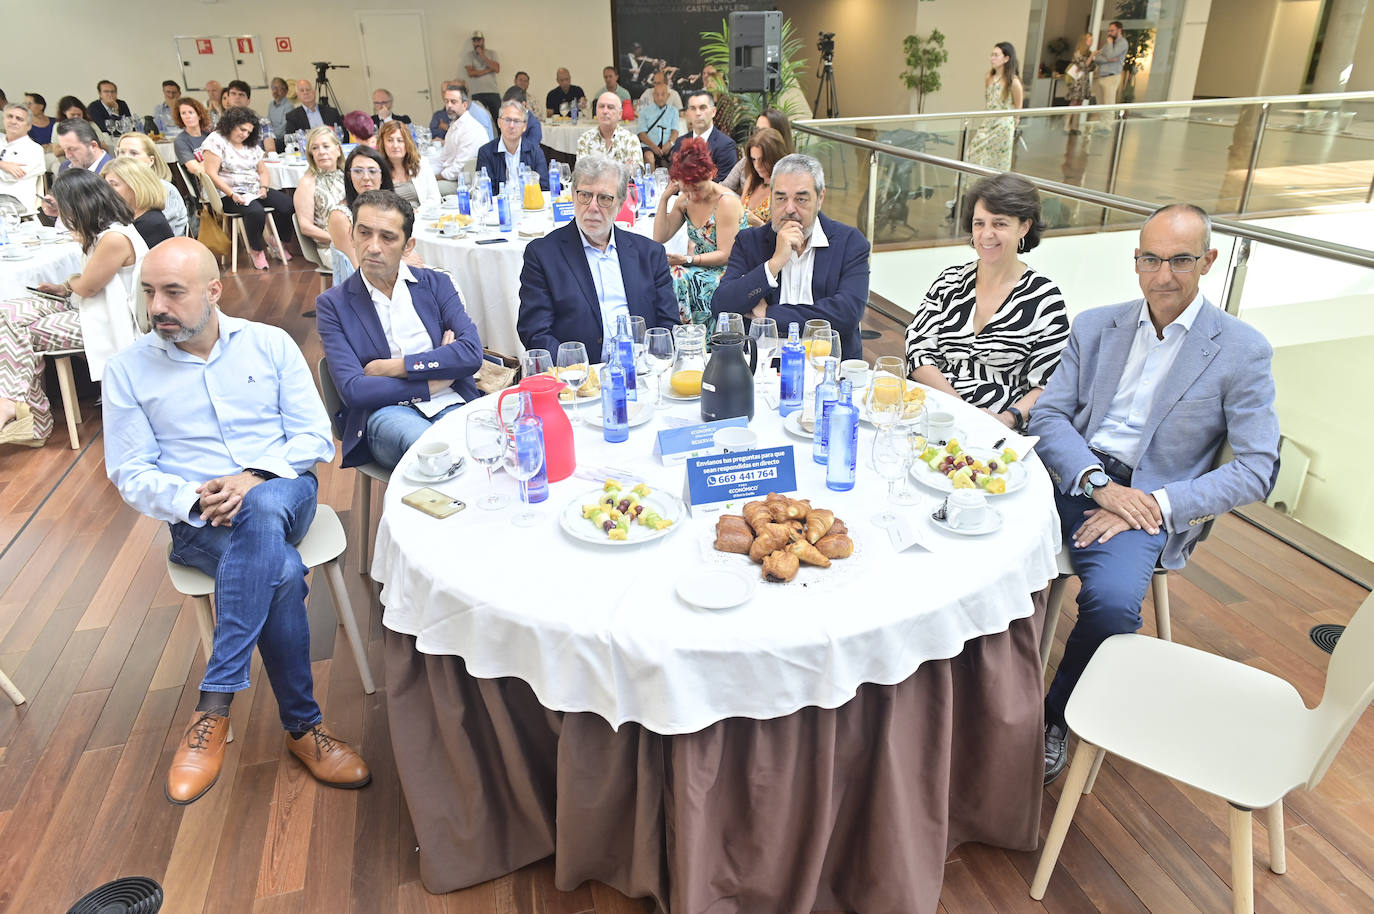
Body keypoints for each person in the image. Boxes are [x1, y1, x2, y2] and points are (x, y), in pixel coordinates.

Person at [102, 237, 371, 806]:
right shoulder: (127, 369)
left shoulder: (269, 345)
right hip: (199, 518)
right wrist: (193, 500)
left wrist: (252, 476)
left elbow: (312, 437)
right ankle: (304, 730)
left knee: (265, 506)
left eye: (173, 292)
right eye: (148, 292)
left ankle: (214, 705)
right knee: (278, 569)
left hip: (282, 488)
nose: (157, 307)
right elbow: (129, 471)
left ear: (214, 291)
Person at [1032, 203, 1280, 783]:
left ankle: (1055, 718)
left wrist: (1154, 505)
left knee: (1116, 605)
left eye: (1180, 260)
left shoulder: (1242, 350)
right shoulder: (1096, 325)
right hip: (1073, 476)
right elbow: (1050, 418)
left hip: (1149, 502)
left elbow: (1258, 468)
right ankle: (981, 701)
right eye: (1151, 259)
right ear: (1135, 261)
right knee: (975, 539)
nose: (1163, 275)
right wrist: (1098, 485)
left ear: (1209, 261)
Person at [316, 190, 483, 470]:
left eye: (388, 237)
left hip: (452, 400)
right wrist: (431, 383)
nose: (373, 247)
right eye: (364, 233)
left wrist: (395, 367)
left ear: (408, 245)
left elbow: (470, 354)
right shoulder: (333, 305)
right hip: (386, 413)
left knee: (482, 444)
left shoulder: (436, 284)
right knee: (435, 449)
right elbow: (354, 389)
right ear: (352, 235)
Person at [904, 173, 1068, 430]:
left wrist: (1008, 418)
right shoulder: (949, 281)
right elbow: (918, 351)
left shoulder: (1044, 299)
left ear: (1024, 227)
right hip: (933, 412)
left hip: (998, 426)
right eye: (979, 223)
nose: (986, 234)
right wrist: (960, 410)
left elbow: (1050, 385)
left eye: (999, 224)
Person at [0, 169, 147, 447]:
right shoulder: (106, 232)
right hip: (92, 309)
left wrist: (70, 283)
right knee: (8, 312)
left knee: (18, 329)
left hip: (109, 322)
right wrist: (65, 287)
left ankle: (24, 411)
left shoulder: (114, 238)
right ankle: (14, 402)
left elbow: (88, 286)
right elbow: (85, 285)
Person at [713, 153, 871, 360]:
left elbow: (846, 315)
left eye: (801, 199)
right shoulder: (749, 241)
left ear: (820, 198)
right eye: (780, 198)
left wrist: (768, 315)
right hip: (762, 365)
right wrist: (774, 264)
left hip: (828, 368)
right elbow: (722, 307)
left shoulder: (850, 243)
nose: (789, 209)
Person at [517, 155, 678, 357]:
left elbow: (668, 325)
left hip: (642, 369)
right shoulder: (543, 255)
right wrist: (576, 367)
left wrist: (652, 364)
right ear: (573, 197)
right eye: (585, 195)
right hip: (578, 377)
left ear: (620, 204)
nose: (593, 207)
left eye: (604, 198)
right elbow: (535, 332)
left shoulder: (649, 254)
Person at [654, 137, 746, 325]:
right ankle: (679, 332)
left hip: (728, 271)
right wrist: (664, 199)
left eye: (697, 189)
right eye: (687, 190)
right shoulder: (685, 201)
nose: (693, 196)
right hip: (699, 267)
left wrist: (688, 260)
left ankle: (686, 334)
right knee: (665, 275)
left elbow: (726, 255)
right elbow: (660, 237)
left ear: (711, 174)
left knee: (677, 275)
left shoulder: (725, 202)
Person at [200, 106, 296, 270]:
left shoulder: (250, 144)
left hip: (253, 188)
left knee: (288, 205)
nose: (245, 134)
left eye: (249, 131)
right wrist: (232, 194)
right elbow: (211, 173)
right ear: (231, 124)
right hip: (226, 192)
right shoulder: (216, 140)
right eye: (242, 129)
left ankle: (278, 241)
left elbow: (262, 170)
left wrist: (264, 187)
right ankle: (257, 249)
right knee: (255, 211)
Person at [328, 145, 398, 285]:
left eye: (372, 171)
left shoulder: (391, 208)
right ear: (349, 176)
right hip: (361, 289)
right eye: (358, 171)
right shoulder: (340, 216)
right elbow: (361, 269)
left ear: (382, 177)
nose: (366, 177)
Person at [114, 132, 189, 236]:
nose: (125, 158)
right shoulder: (114, 189)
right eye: (121, 152)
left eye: (133, 153)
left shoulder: (164, 190)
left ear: (150, 161)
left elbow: (159, 233)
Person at [966, 42, 1023, 174]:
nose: (992, 58)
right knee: (972, 154)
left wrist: (1013, 126)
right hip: (988, 123)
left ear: (1006, 58)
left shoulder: (1013, 82)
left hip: (1003, 126)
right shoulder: (989, 77)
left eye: (996, 55)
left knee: (997, 162)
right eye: (992, 55)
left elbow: (1018, 109)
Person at [102, 157, 175, 248]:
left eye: (114, 184)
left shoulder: (151, 224)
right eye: (105, 185)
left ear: (136, 187)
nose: (106, 191)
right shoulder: (116, 216)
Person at [293, 125, 346, 249]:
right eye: (315, 148)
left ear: (338, 150)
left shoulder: (347, 175)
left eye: (326, 146)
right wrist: (340, 240)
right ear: (311, 154)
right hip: (331, 247)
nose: (321, 152)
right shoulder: (307, 182)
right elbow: (306, 227)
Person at [477, 100, 547, 191]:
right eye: (507, 120)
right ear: (499, 123)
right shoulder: (486, 152)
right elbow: (486, 190)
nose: (511, 126)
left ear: (524, 126)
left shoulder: (535, 152)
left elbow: (544, 188)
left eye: (517, 121)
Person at [670, 90, 737, 182]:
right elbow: (674, 179)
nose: (698, 113)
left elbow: (725, 185)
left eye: (703, 108)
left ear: (713, 111)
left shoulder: (726, 145)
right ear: (687, 114)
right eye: (693, 109)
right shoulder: (680, 143)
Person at [721, 109, 794, 194]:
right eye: (757, 130)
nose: (757, 166)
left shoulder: (790, 171)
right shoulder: (748, 160)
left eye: (764, 131)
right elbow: (724, 187)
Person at [432, 85, 486, 195]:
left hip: (464, 183)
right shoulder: (455, 125)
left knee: (422, 190)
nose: (449, 106)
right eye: (446, 102)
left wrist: (434, 178)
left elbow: (458, 169)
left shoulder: (470, 129)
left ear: (465, 105)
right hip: (451, 178)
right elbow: (442, 159)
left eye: (453, 102)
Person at [378, 120, 440, 208]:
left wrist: (418, 212)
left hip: (422, 215)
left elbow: (435, 198)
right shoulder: (377, 169)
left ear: (407, 143)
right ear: (382, 143)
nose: (395, 145)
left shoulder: (421, 162)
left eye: (400, 140)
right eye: (390, 140)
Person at [577, 92, 640, 172]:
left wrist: (595, 172)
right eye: (601, 106)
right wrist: (622, 170)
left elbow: (635, 173)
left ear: (620, 114)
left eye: (610, 107)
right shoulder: (585, 139)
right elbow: (581, 174)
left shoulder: (631, 140)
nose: (605, 111)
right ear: (596, 111)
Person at [0, 103, 45, 214]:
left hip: (15, 210)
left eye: (19, 119)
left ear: (28, 126)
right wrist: (4, 165)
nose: (13, 121)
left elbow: (10, 175)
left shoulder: (34, 149)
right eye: (9, 116)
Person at [739, 126, 786, 227]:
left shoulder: (786, 188)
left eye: (762, 160)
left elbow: (783, 234)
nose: (757, 166)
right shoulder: (752, 179)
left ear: (775, 157)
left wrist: (758, 223)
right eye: (754, 159)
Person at [637, 79, 679, 168]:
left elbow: (675, 131)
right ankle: (651, 181)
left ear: (668, 96)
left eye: (663, 94)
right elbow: (642, 134)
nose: (660, 97)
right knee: (649, 157)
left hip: (668, 146)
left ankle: (673, 181)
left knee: (677, 156)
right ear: (653, 95)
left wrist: (669, 144)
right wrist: (654, 147)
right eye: (657, 94)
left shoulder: (673, 111)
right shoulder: (644, 112)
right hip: (649, 146)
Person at [224, 81, 277, 152]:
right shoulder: (222, 123)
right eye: (233, 93)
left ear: (248, 101)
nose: (237, 97)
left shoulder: (262, 122)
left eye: (241, 94)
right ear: (228, 98)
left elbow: (271, 151)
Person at [464, 30, 503, 119]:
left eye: (479, 40)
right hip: (477, 92)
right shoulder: (469, 55)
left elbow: (497, 69)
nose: (477, 43)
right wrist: (488, 70)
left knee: (499, 119)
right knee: (478, 120)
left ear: (483, 40)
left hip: (493, 92)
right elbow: (471, 73)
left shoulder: (492, 53)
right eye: (474, 41)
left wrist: (482, 55)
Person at [1092, 21, 1128, 110]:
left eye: (1112, 31)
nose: (1109, 33)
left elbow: (1111, 55)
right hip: (1101, 76)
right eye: (1109, 31)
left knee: (1108, 106)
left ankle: (1108, 124)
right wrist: (1108, 59)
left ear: (1119, 30)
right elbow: (1097, 57)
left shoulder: (1122, 43)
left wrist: (1110, 45)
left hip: (1111, 78)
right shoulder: (1108, 43)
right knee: (1100, 106)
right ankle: (1103, 124)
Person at [1064, 34, 1095, 133]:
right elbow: (1083, 65)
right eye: (1089, 40)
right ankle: (1066, 124)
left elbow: (1092, 67)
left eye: (1091, 40)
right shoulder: (1078, 53)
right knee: (1074, 102)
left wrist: (1088, 63)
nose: (1091, 42)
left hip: (1084, 80)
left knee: (1079, 103)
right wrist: (1091, 58)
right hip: (1077, 81)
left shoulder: (1088, 53)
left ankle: (1075, 125)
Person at [173, 97, 212, 176]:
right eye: (183, 113)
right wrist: (212, 162)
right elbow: (195, 169)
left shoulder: (209, 136)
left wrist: (202, 163)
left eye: (191, 112)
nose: (187, 116)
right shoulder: (181, 141)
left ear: (199, 115)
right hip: (204, 183)